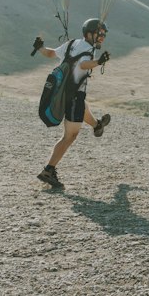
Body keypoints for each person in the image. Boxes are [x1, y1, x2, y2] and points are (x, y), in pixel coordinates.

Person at [32, 18, 112, 190]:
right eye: (100, 33)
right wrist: (99, 62)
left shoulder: (72, 44)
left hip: (65, 93)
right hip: (74, 97)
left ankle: (97, 126)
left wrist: (39, 48)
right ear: (90, 33)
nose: (103, 37)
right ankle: (48, 170)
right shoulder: (89, 50)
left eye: (104, 34)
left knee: (84, 106)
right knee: (70, 136)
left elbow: (51, 53)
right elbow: (83, 65)